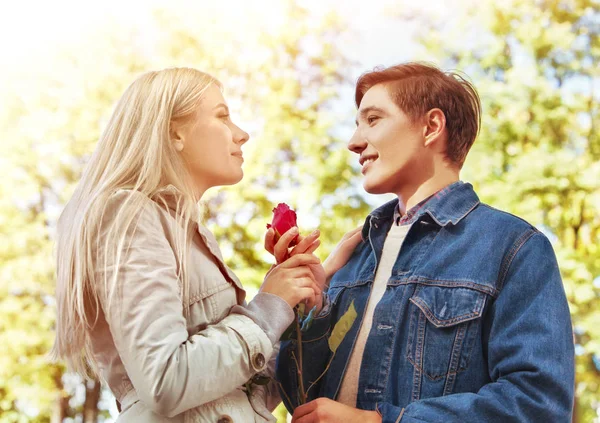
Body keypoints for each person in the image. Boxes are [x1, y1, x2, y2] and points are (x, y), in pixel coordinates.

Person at [276, 62, 575, 422]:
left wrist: (380, 421)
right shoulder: (352, 257)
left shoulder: (514, 247)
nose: (354, 142)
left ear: (431, 127)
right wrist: (308, 306)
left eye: (373, 120)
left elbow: (537, 405)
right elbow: (297, 400)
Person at [50, 67, 352, 422]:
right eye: (223, 116)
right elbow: (166, 381)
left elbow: (248, 396)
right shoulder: (130, 214)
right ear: (175, 132)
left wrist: (297, 298)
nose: (242, 134)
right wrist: (269, 304)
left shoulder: (191, 235)